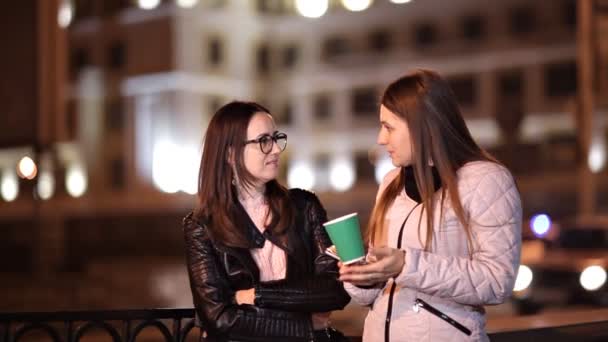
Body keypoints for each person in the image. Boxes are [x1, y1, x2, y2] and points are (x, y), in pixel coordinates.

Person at [339, 69, 522, 342]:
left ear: (421, 126)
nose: (380, 138)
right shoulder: (391, 183)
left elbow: (497, 282)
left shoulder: (485, 180)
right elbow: (372, 295)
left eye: (389, 127)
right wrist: (362, 274)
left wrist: (405, 265)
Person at [183, 101, 350, 342]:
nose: (275, 150)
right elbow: (219, 318)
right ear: (230, 153)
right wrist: (303, 324)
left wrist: (255, 295)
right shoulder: (202, 226)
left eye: (276, 138)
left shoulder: (304, 206)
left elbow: (334, 289)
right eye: (263, 141)